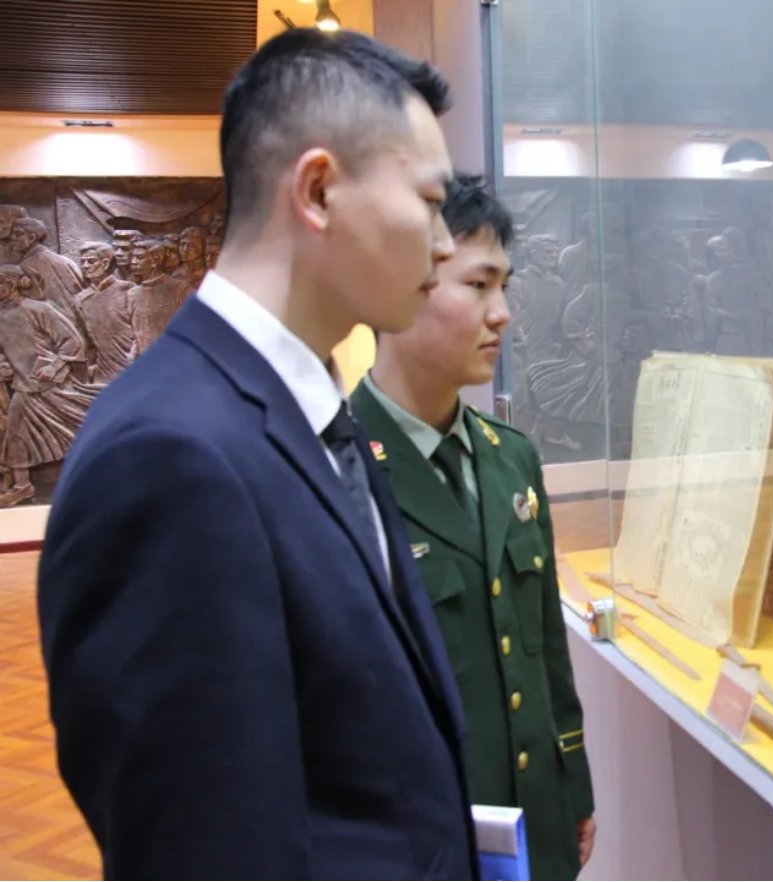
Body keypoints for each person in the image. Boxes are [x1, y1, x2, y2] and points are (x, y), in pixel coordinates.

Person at [36, 28, 478, 880]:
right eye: (429, 202)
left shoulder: (306, 414)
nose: (446, 242)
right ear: (319, 190)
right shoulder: (169, 458)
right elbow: (203, 845)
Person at [349, 174, 596, 880]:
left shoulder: (510, 458)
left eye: (505, 286)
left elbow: (546, 650)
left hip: (536, 823)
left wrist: (573, 785)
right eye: (479, 285)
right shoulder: (333, 470)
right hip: (421, 844)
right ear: (399, 287)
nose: (503, 314)